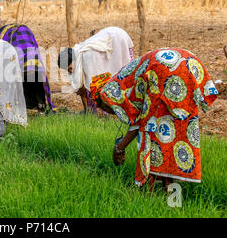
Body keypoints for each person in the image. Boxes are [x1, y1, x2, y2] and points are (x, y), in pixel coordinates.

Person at [90, 48, 218, 191]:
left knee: (149, 136)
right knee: (171, 137)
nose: (108, 112)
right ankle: (171, 199)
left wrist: (119, 148)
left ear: (105, 99)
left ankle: (149, 195)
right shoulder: (123, 79)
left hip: (166, 71)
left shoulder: (118, 90)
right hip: (188, 64)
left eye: (104, 107)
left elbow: (139, 123)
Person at [58, 26, 134, 113]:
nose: (71, 72)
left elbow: (94, 84)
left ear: (73, 61)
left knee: (127, 78)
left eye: (70, 69)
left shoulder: (86, 57)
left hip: (118, 40)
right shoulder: (79, 53)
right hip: (117, 34)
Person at [0, 24, 55, 112]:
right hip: (34, 62)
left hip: (21, 65)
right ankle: (41, 106)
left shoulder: (5, 38)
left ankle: (24, 107)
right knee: (36, 78)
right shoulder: (26, 33)